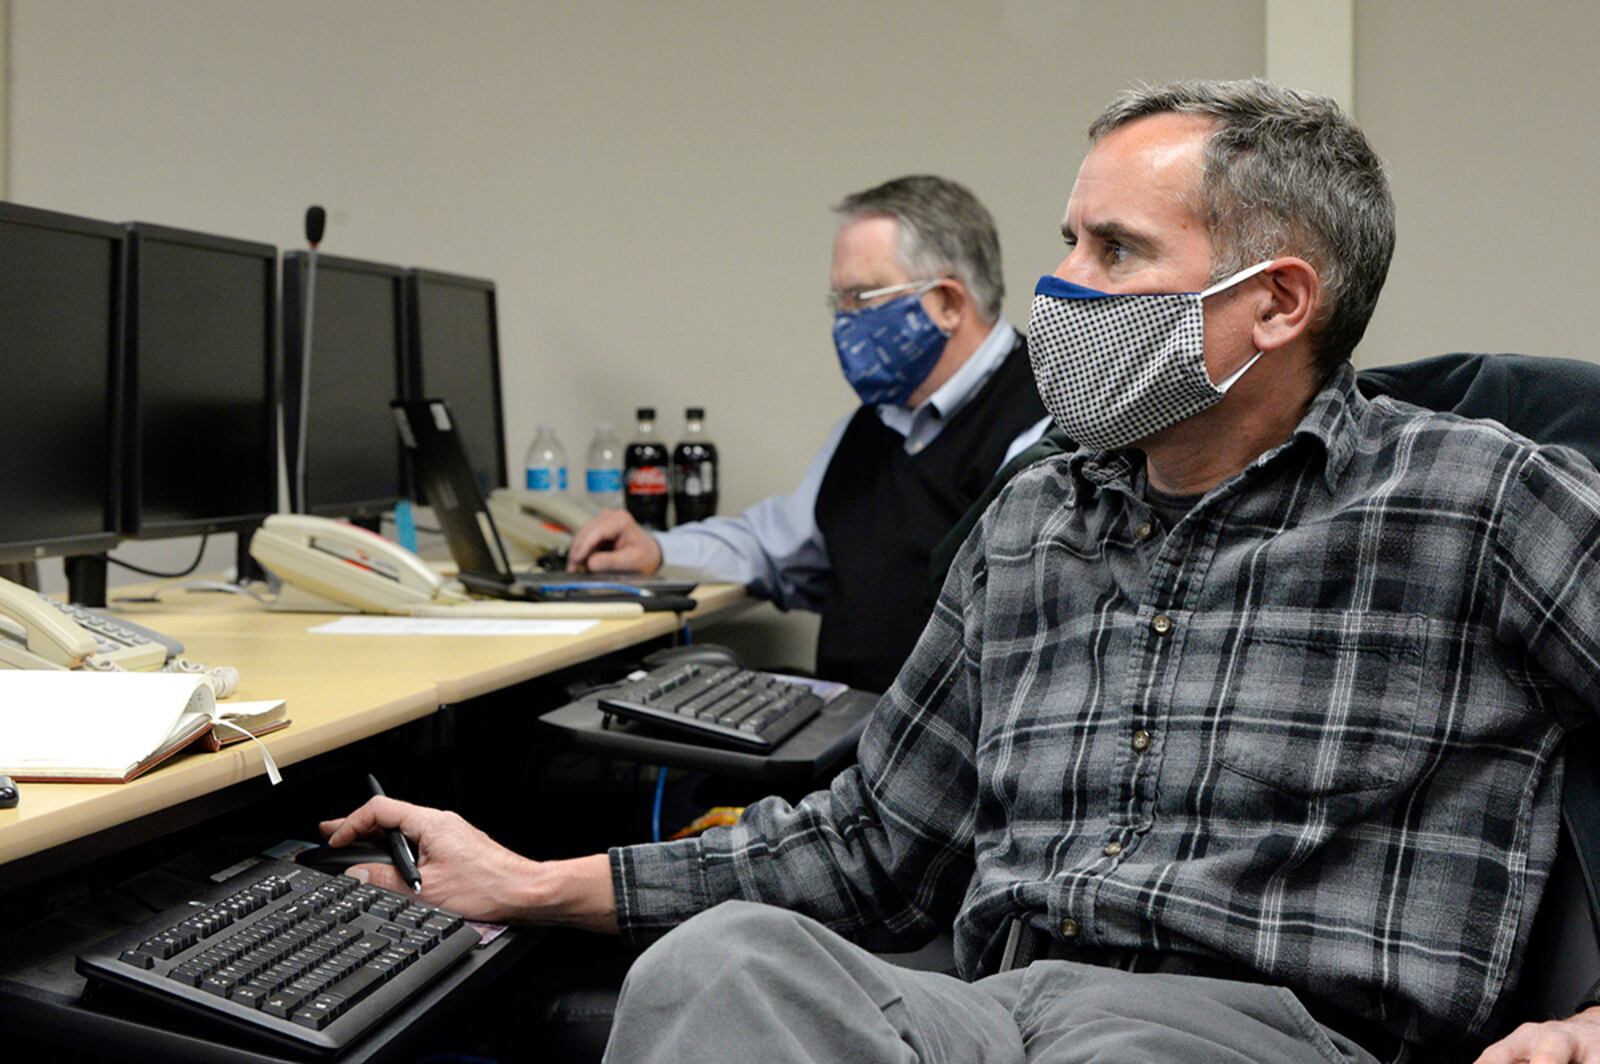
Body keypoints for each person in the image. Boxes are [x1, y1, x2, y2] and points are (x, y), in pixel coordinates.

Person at [323, 79, 1600, 1062]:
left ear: (1275, 305)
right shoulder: (1032, 518)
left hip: (1265, 1029)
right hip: (993, 1012)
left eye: (1114, 252)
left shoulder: (1473, 498)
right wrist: (534, 880)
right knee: (724, 967)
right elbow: (870, 846)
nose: (1057, 294)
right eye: (1067, 242)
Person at [567, 175, 1048, 692]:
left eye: (862, 297)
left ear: (949, 302)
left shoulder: (1040, 429)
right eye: (838, 301)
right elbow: (774, 547)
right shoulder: (872, 426)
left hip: (947, 756)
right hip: (843, 734)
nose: (844, 321)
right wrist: (657, 551)